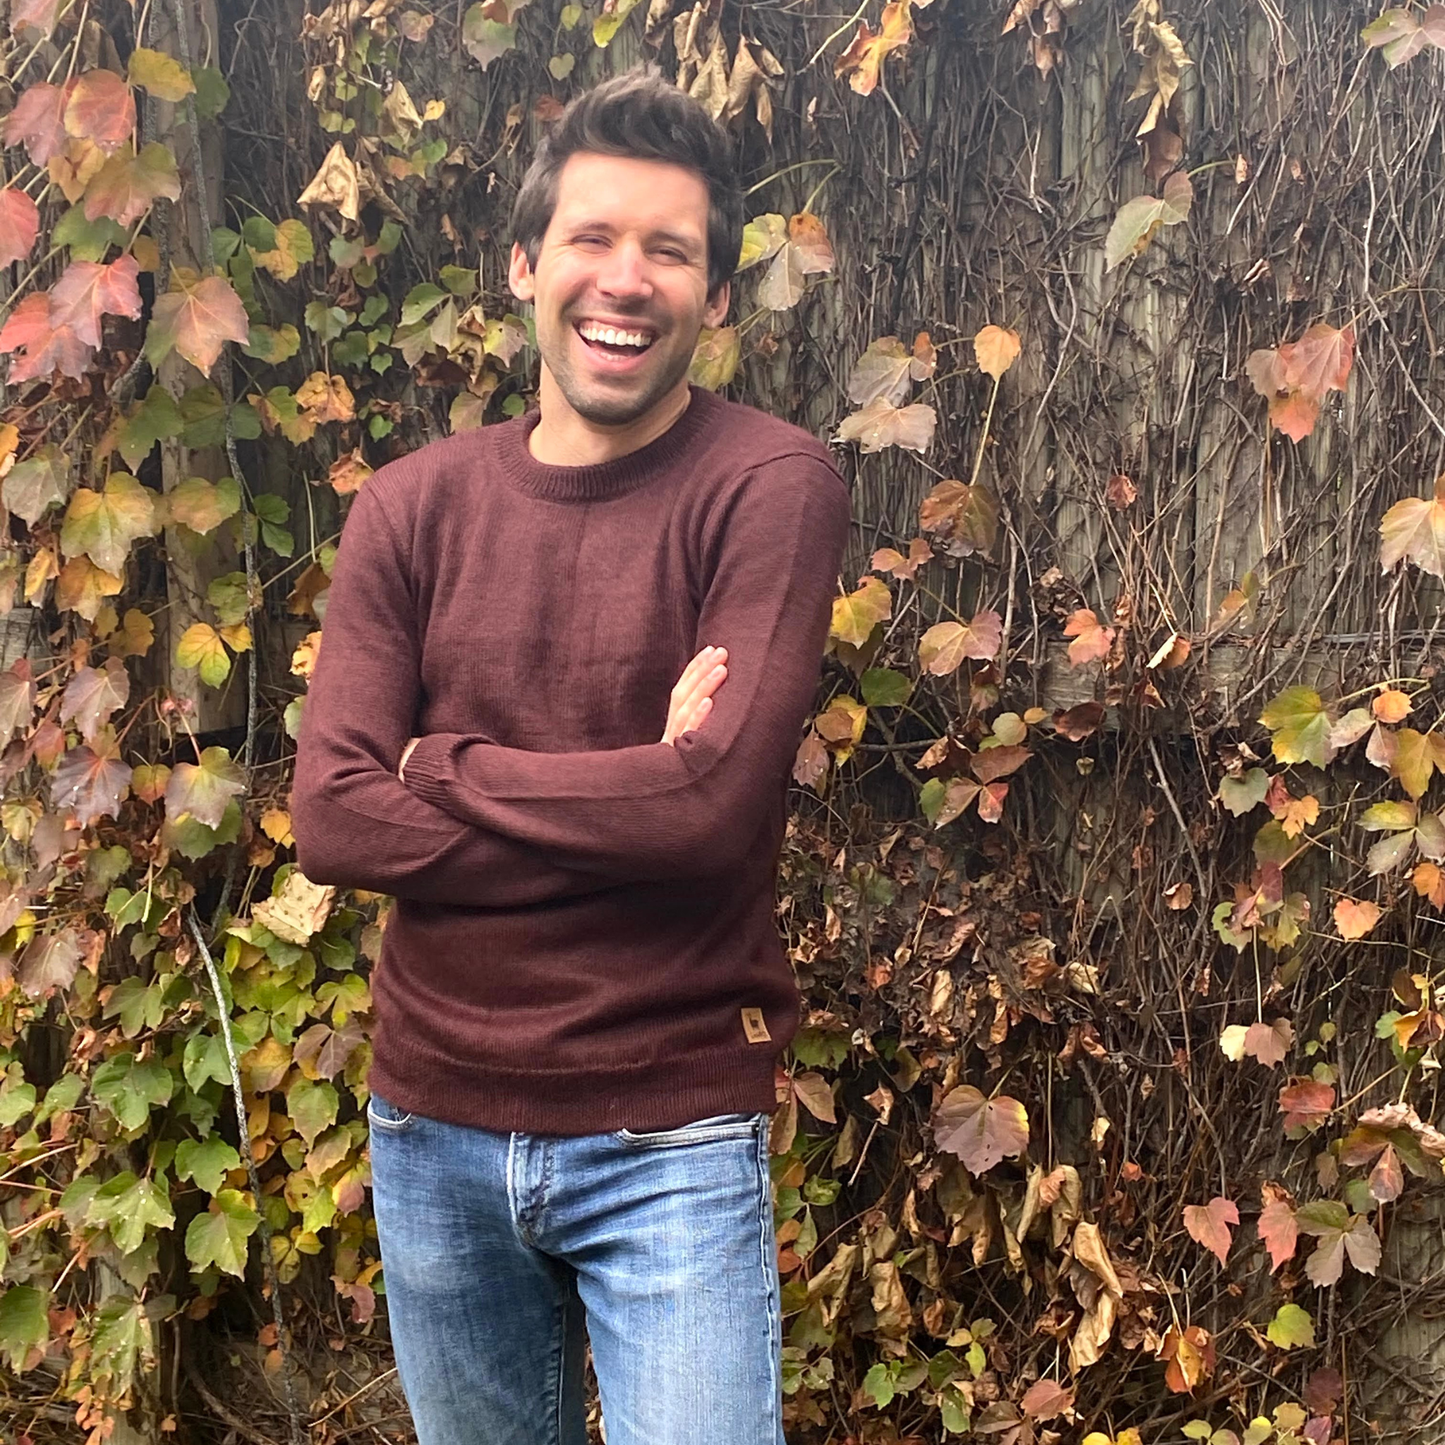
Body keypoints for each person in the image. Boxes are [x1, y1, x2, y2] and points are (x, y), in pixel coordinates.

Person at [291, 68, 850, 1445]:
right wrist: (626, 786)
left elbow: (708, 813)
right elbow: (333, 824)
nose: (628, 279)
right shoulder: (413, 509)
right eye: (594, 240)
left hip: (666, 1130)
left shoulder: (770, 485)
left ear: (719, 296)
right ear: (526, 267)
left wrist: (446, 765)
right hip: (428, 1132)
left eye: (670, 250)